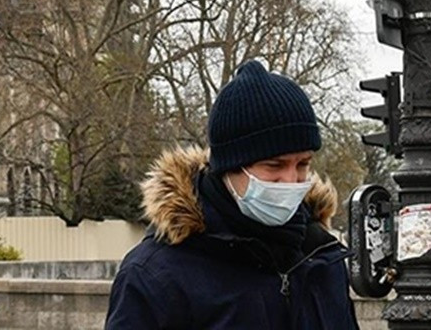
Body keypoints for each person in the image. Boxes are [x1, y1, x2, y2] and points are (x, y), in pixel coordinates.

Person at [105, 60, 358, 329]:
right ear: (227, 168)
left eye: (303, 164)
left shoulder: (323, 257)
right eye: (274, 165)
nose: (291, 181)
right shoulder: (154, 276)